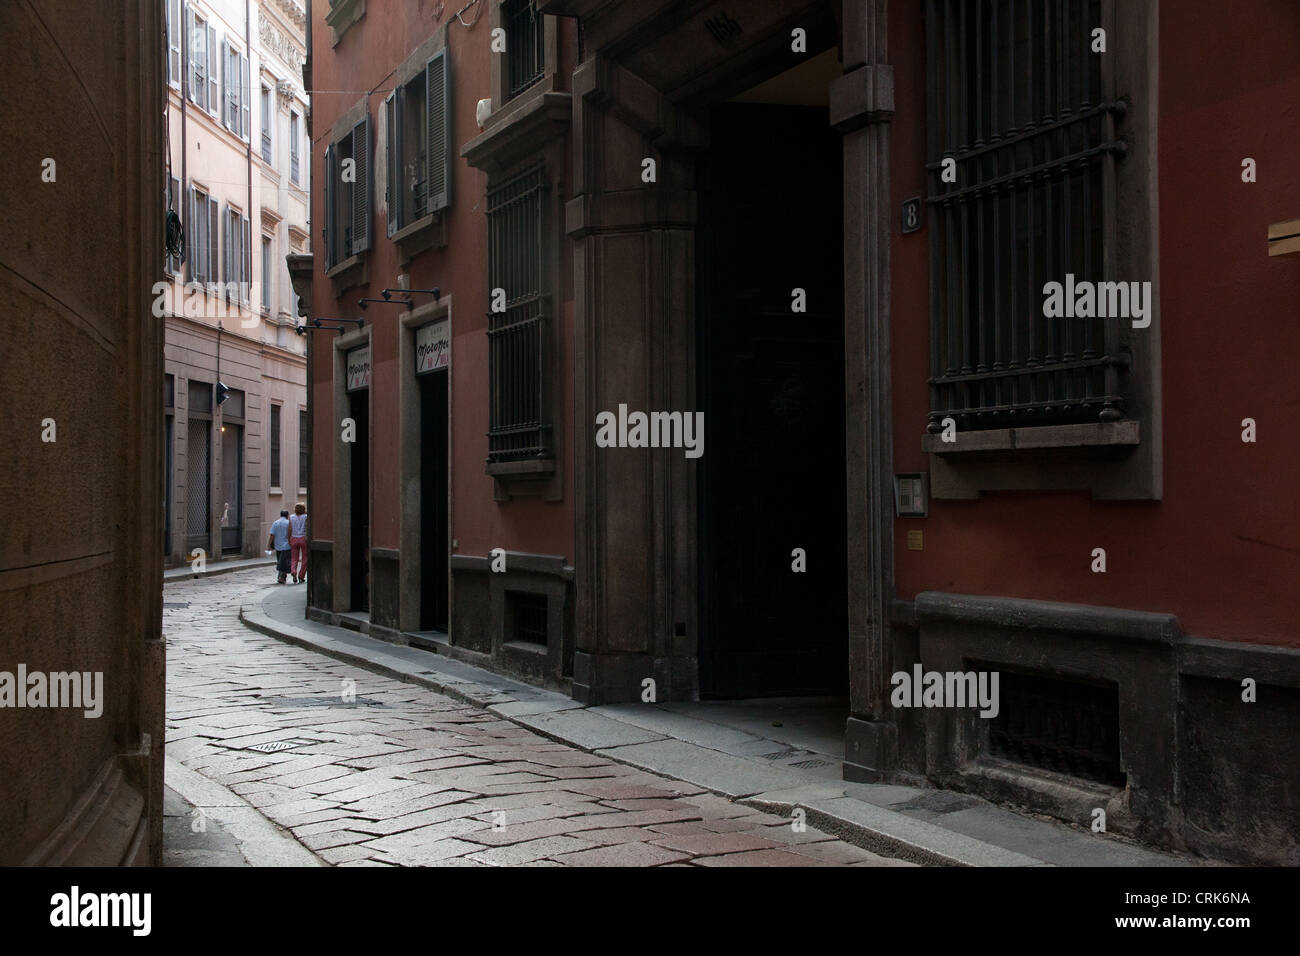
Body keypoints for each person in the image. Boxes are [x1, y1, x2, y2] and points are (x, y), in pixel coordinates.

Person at [267, 510, 292, 584]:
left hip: (278, 546)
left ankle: (281, 577)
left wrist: (269, 545)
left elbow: (272, 535)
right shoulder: (288, 523)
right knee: (285, 563)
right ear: (287, 515)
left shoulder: (275, 523)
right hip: (287, 546)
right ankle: (282, 577)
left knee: (280, 562)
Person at [289, 502, 308, 584]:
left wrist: (288, 538)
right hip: (303, 538)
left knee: (294, 558)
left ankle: (293, 571)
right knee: (305, 558)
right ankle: (301, 575)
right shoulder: (306, 517)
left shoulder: (291, 517)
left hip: (294, 538)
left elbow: (289, 528)